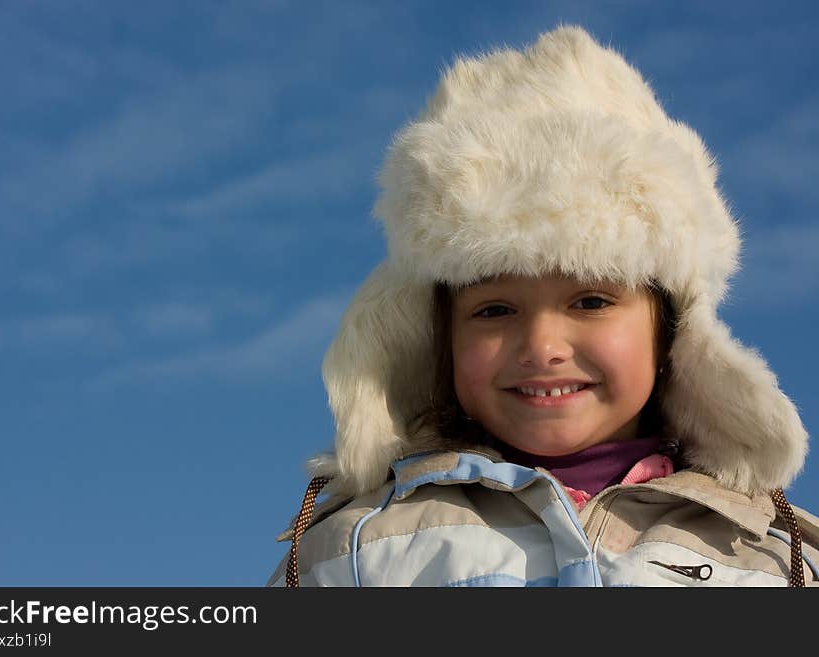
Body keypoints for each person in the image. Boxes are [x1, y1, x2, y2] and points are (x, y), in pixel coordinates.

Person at [268, 24, 819, 587]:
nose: (542, 348)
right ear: (441, 337)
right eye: (494, 310)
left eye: (590, 300)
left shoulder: (772, 559)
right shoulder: (359, 548)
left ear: (672, 329)